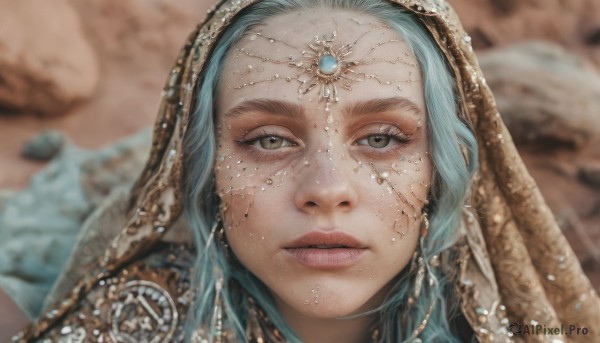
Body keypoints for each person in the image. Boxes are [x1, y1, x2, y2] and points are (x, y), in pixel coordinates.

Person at [11, 0, 600, 342]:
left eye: (381, 138)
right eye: (268, 139)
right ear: (204, 169)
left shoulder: (500, 320)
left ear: (445, 169)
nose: (326, 190)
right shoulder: (137, 317)